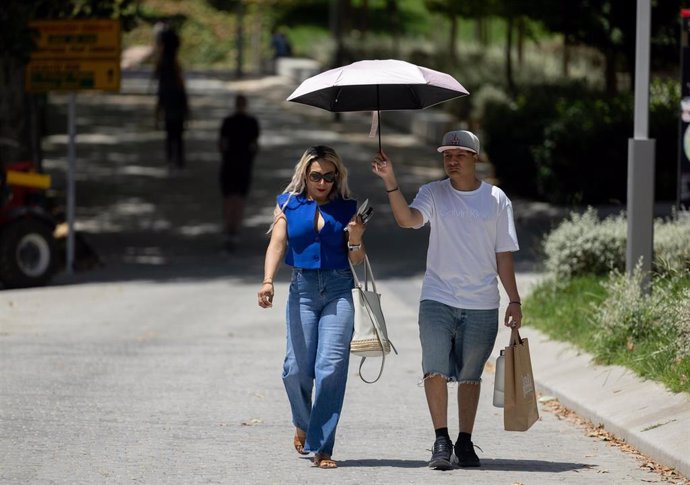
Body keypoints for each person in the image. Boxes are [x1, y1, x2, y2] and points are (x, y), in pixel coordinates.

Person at [371, 130, 522, 470]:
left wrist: (514, 300)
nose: (452, 161)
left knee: (470, 375)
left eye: (459, 155)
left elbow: (504, 256)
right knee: (435, 368)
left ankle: (465, 442)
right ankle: (441, 439)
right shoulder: (433, 193)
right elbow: (407, 220)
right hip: (437, 297)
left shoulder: (496, 200)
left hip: (482, 302)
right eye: (447, 155)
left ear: (474, 159)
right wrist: (390, 180)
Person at [257, 145, 366, 469]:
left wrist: (356, 237)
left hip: (338, 289)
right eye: (316, 175)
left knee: (330, 367)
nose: (322, 182)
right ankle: (303, 422)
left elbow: (356, 260)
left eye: (329, 177)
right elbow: (277, 244)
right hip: (302, 289)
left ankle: (322, 447)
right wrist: (267, 281)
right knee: (295, 369)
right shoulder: (288, 204)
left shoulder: (348, 208)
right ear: (305, 174)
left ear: (337, 178)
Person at [218, 94, 260, 251]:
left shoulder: (228, 122)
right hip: (244, 165)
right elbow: (255, 146)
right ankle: (234, 229)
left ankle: (229, 228)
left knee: (229, 198)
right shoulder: (252, 123)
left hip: (229, 164)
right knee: (240, 199)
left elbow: (221, 144)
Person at [154, 26, 188, 171]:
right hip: (176, 101)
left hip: (169, 101)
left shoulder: (164, 63)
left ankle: (172, 159)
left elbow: (161, 88)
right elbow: (180, 85)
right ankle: (178, 160)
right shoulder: (173, 63)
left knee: (171, 133)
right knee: (177, 134)